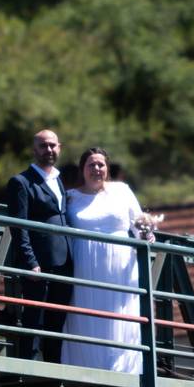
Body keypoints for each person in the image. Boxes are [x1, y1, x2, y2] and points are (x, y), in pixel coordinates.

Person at [61, 147, 146, 373]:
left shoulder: (122, 191)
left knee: (120, 315)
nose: (96, 169)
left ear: (107, 169)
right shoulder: (70, 197)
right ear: (83, 170)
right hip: (84, 269)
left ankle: (123, 370)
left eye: (100, 164)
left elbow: (140, 229)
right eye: (91, 165)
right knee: (85, 314)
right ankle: (84, 370)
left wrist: (148, 232)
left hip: (120, 269)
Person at [6, 129, 73, 362]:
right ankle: (30, 366)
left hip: (64, 262)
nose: (49, 150)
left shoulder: (58, 179)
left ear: (60, 148)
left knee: (57, 319)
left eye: (53, 145)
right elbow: (18, 226)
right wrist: (30, 262)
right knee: (35, 318)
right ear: (35, 150)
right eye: (44, 146)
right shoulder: (21, 182)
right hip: (40, 264)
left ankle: (54, 366)